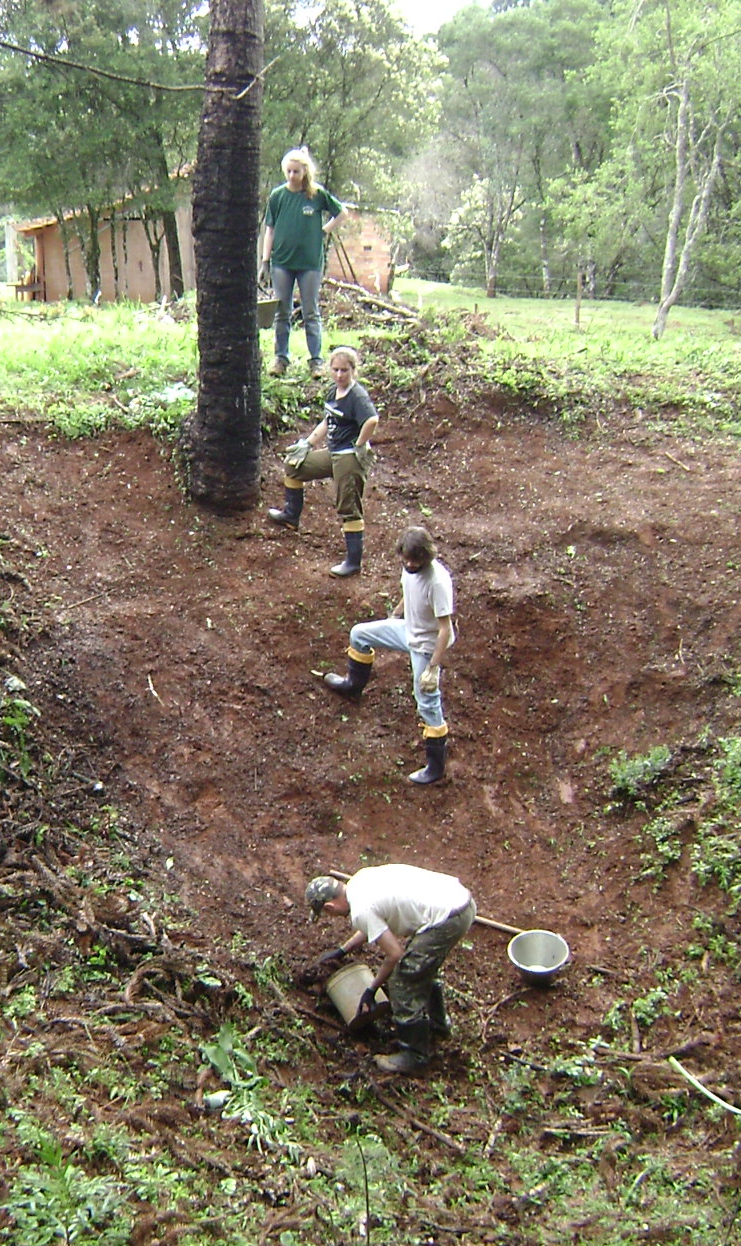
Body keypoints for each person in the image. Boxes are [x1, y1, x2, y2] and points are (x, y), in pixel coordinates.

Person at [305, 865, 476, 1074]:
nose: (331, 917)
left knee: (403, 980)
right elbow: (374, 925)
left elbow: (395, 954)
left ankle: (414, 1055)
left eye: (326, 914)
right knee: (420, 968)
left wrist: (372, 989)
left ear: (330, 907)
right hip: (457, 901)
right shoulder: (359, 880)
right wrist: (342, 950)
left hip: (447, 919)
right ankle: (438, 1025)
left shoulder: (360, 909)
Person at [324, 527, 455, 786]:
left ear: (426, 557)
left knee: (426, 700)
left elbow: (445, 629)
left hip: (426, 645)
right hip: (408, 630)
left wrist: (432, 668)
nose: (409, 564)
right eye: (405, 559)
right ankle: (353, 685)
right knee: (359, 634)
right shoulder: (409, 568)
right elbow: (409, 593)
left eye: (414, 561)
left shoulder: (437, 581)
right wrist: (394, 616)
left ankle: (436, 766)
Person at [267, 347, 379, 577]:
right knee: (294, 466)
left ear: (353, 371)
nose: (339, 375)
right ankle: (291, 515)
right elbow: (328, 422)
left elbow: (372, 420)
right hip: (333, 452)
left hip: (348, 456)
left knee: (348, 506)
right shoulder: (332, 392)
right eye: (336, 370)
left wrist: (360, 444)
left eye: (344, 371)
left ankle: (353, 561)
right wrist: (308, 443)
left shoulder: (357, 396)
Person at [261, 147, 345, 378]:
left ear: (304, 171)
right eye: (288, 171)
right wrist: (265, 260)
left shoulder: (316, 194)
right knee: (282, 311)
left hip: (309, 263)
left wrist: (324, 230)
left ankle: (316, 361)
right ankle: (280, 358)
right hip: (281, 262)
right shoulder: (278, 196)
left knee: (310, 311)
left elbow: (341, 212)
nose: (291, 176)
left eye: (296, 171)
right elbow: (270, 229)